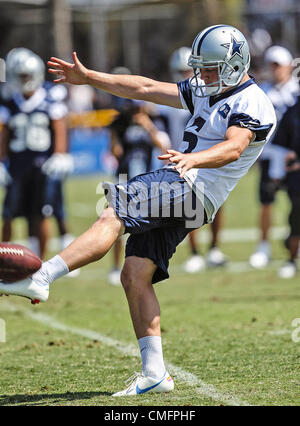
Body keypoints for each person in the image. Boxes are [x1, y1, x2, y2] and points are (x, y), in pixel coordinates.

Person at [0, 25, 276, 396]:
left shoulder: (252, 101)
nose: (203, 75)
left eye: (210, 68)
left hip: (187, 182)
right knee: (134, 273)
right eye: (201, 67)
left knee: (112, 211)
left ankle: (43, 277)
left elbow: (233, 148)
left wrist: (191, 159)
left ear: (235, 63)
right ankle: (156, 372)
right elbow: (144, 88)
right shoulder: (207, 90)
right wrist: (89, 78)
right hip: (194, 192)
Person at [0, 48, 73, 259]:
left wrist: (61, 154)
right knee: (9, 214)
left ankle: (39, 260)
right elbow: (4, 135)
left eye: (27, 75)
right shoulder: (9, 102)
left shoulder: (50, 98)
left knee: (41, 213)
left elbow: (60, 127)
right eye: (21, 75)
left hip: (43, 164)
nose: (25, 80)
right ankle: (5, 261)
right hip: (17, 164)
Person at [160, 46, 227, 273]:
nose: (185, 76)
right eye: (181, 71)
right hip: (182, 157)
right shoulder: (176, 97)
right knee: (189, 207)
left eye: (189, 70)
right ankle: (196, 252)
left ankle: (215, 248)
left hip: (208, 155)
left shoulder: (214, 93)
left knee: (216, 203)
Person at [108, 98, 170, 285]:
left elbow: (165, 148)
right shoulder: (120, 123)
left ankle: (154, 266)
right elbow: (115, 151)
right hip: (125, 177)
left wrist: (148, 127)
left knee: (152, 226)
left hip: (148, 179)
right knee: (117, 220)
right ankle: (115, 266)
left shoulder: (156, 122)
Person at [249, 46, 299, 269]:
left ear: (289, 66)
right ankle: (263, 246)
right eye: (272, 65)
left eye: (278, 65)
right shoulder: (261, 91)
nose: (275, 70)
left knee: (296, 202)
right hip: (270, 154)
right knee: (266, 201)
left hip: (292, 154)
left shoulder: (296, 91)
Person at [270, 98, 300, 278]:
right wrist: (277, 175)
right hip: (296, 177)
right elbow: (282, 145)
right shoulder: (294, 110)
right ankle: (291, 259)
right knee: (296, 215)